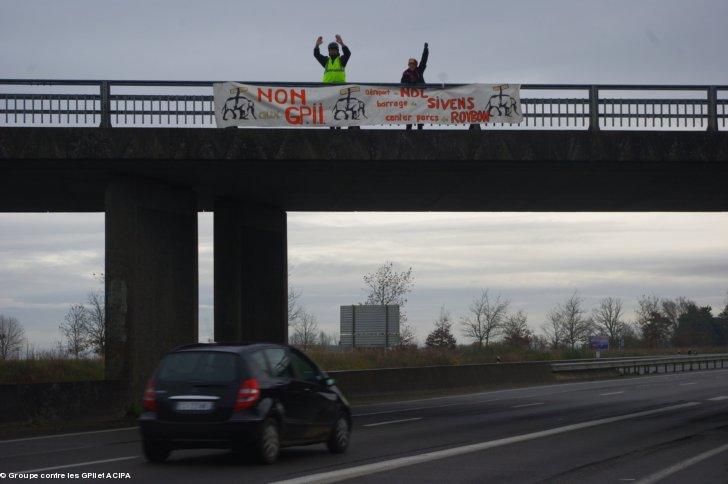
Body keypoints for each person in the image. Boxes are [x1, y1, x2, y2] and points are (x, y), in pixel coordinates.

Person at [401, 42, 429, 130]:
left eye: (413, 64)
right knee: (410, 113)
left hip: (420, 97)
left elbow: (423, 60)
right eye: (410, 64)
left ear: (416, 65)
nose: (411, 66)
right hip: (410, 98)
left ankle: (420, 129)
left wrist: (426, 50)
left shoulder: (419, 71)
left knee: (420, 113)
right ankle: (408, 129)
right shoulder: (406, 74)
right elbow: (402, 84)